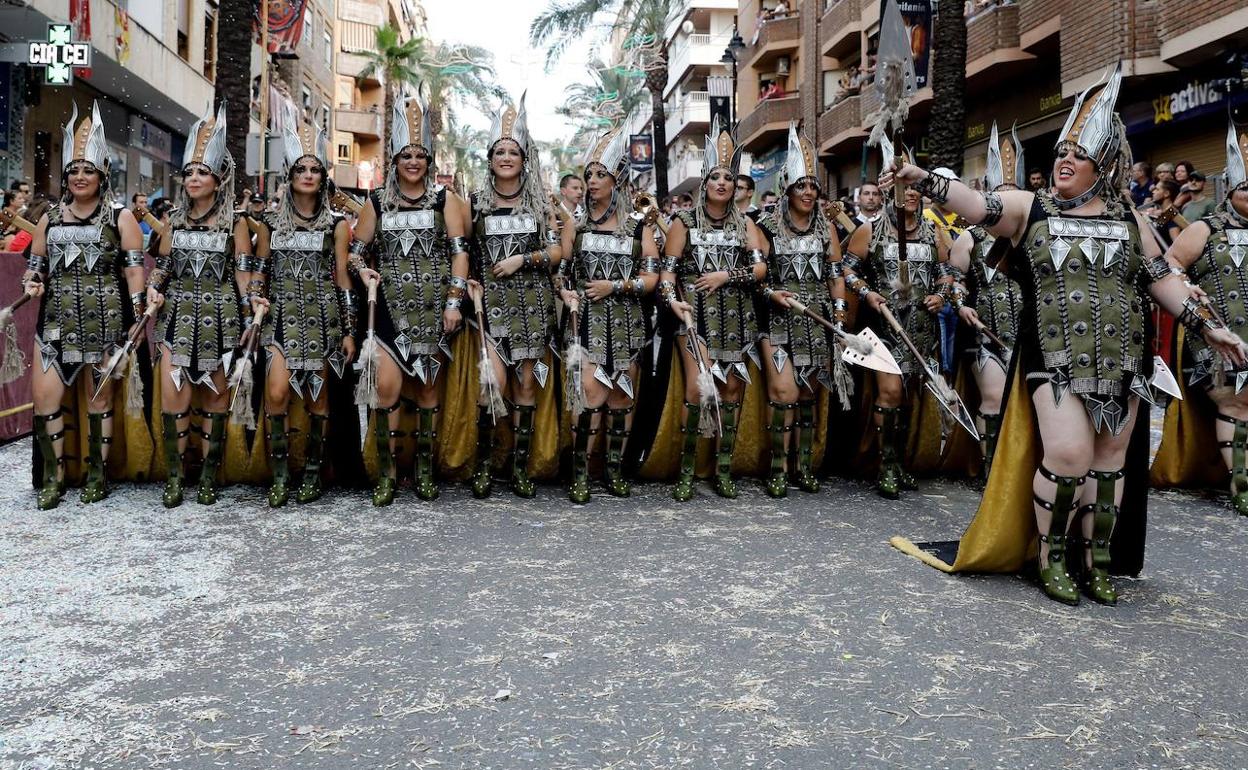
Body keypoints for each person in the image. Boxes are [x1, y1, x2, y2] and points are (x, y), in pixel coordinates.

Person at [884, 63, 1245, 605]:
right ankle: (1050, 557)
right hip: (1053, 360)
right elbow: (980, 207)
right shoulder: (1034, 209)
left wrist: (1209, 328)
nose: (1064, 161)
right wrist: (929, 181)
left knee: (1109, 463)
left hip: (1123, 363)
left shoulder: (1130, 218)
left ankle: (1093, 560)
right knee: (1070, 455)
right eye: (1061, 153)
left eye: (1077, 155)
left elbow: (1160, 279)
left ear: (1104, 165)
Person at [347, 95, 470, 506]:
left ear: (429, 160)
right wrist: (362, 269)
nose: (413, 162)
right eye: (406, 155)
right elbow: (356, 250)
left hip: (435, 309)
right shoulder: (377, 202)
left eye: (420, 155)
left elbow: (459, 252)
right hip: (388, 310)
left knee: (428, 391)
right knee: (386, 389)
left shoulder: (444, 201)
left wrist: (454, 301)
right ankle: (387, 471)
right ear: (395, 161)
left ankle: (423, 469)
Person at [22, 102, 146, 508]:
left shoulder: (120, 217)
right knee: (45, 399)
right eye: (73, 170)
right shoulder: (50, 219)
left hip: (106, 324)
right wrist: (33, 283)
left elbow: (132, 272)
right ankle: (55, 478)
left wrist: (140, 312)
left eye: (87, 170)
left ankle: (97, 474)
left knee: (100, 400)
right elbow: (35, 269)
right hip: (55, 324)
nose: (79, 176)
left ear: (102, 175)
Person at [144, 104, 255, 508]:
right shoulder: (173, 219)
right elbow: (164, 268)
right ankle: (175, 476)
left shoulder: (236, 224)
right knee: (174, 401)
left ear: (219, 178)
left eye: (201, 172)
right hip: (176, 318)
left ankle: (209, 475)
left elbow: (244, 277)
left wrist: (249, 319)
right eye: (189, 172)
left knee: (214, 401)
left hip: (221, 323)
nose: (193, 178)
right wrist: (154, 291)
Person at [466, 95, 572, 498]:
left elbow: (558, 252)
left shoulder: (542, 203)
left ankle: (520, 468)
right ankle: (484, 465)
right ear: (489, 158)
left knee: (526, 387)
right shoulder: (475, 204)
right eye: (500, 151)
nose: (506, 157)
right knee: (491, 384)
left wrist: (521, 260)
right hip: (489, 309)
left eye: (513, 151)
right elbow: (465, 252)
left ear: (524, 158)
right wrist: (472, 280)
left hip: (532, 306)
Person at [251, 109, 357, 507]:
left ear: (323, 175)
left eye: (314, 168)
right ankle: (280, 474)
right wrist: (254, 298)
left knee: (318, 400)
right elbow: (260, 271)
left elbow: (343, 278)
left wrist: (348, 330)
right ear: (289, 176)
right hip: (279, 321)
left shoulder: (336, 225)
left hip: (322, 323)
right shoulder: (269, 224)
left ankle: (314, 472)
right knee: (276, 393)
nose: (308, 175)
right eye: (301, 169)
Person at [658, 116, 766, 501]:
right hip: (695, 318)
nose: (723, 183)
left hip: (737, 316)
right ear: (705, 183)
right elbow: (666, 275)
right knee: (698, 389)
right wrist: (674, 303)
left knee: (732, 389)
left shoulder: (746, 225)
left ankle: (722, 469)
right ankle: (687, 470)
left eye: (729, 178)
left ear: (736, 186)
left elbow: (759, 268)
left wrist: (725, 276)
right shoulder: (683, 222)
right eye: (716, 177)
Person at [842, 141, 950, 499]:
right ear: (891, 192)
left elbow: (948, 273)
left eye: (917, 188)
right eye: (905, 189)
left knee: (907, 398)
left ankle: (900, 460)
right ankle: (885, 465)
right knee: (888, 393)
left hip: (921, 328)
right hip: (883, 328)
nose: (913, 195)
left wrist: (942, 295)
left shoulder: (936, 233)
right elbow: (847, 270)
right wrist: (867, 293)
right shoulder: (870, 231)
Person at [557, 128, 659, 503]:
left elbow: (651, 278)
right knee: (588, 398)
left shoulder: (638, 226)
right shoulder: (576, 225)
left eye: (601, 175)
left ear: (617, 182)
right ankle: (581, 473)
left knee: (621, 401)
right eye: (589, 175)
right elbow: (562, 271)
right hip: (586, 325)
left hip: (629, 325)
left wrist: (614, 287)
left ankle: (613, 471)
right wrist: (564, 290)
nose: (592, 182)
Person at [1158, 123, 1248, 515]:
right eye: (1246, 189)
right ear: (1228, 192)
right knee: (1238, 404)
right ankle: (1241, 485)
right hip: (1218, 333)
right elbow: (1169, 265)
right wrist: (1184, 285)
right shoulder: (1204, 229)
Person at [756, 124, 848, 497]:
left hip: (817, 321)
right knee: (784, 392)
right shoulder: (764, 226)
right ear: (787, 189)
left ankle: (803, 466)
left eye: (813, 186)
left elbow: (836, 275)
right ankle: (777, 468)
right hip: (778, 321)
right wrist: (770, 293)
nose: (809, 192)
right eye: (802, 186)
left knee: (808, 395)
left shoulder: (826, 228)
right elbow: (756, 277)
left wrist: (839, 320)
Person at [948, 122, 1024, 475]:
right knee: (993, 400)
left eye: (1014, 191)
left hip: (1030, 336)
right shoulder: (970, 237)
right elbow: (952, 278)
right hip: (985, 336)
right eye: (1001, 193)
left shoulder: (1035, 235)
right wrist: (961, 302)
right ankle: (993, 471)